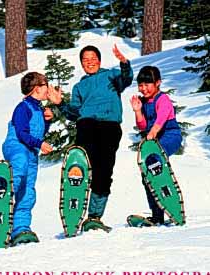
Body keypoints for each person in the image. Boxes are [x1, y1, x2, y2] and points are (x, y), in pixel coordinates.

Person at [50, 44, 133, 232]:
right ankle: (74, 209)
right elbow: (73, 113)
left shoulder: (111, 75)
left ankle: (94, 216)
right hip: (86, 125)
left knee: (103, 170)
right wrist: (60, 103)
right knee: (82, 167)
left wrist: (124, 63)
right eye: (85, 60)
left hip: (109, 126)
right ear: (81, 64)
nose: (90, 62)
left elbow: (126, 79)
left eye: (93, 58)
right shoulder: (79, 86)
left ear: (99, 60)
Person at [2, 71, 60, 245]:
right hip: (17, 146)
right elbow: (21, 133)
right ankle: (3, 194)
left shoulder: (39, 109)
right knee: (19, 169)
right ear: (36, 88)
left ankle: (20, 228)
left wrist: (47, 120)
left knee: (28, 191)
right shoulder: (23, 107)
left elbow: (38, 131)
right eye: (45, 85)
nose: (48, 89)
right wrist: (40, 144)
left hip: (31, 151)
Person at [130, 66, 182, 225]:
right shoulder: (144, 102)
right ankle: (157, 214)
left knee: (154, 161)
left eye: (147, 84)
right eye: (141, 85)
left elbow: (160, 120)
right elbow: (142, 126)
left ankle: (173, 206)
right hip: (154, 141)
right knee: (148, 173)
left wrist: (151, 134)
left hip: (170, 136)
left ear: (158, 83)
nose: (143, 88)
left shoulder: (163, 99)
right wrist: (138, 111)